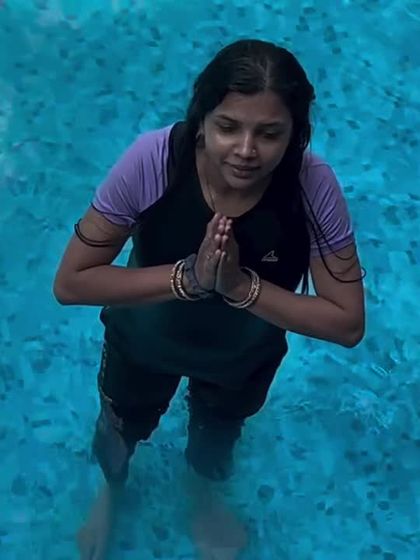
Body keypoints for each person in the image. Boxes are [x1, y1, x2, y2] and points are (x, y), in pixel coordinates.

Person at [53, 38, 365, 560]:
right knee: (118, 428)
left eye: (270, 133)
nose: (246, 150)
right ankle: (112, 491)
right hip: (143, 344)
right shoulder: (156, 160)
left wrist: (240, 288)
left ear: (296, 134)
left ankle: (200, 496)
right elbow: (71, 282)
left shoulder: (312, 188)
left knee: (218, 435)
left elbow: (348, 322)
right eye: (228, 127)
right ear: (201, 120)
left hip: (241, 359)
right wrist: (188, 279)